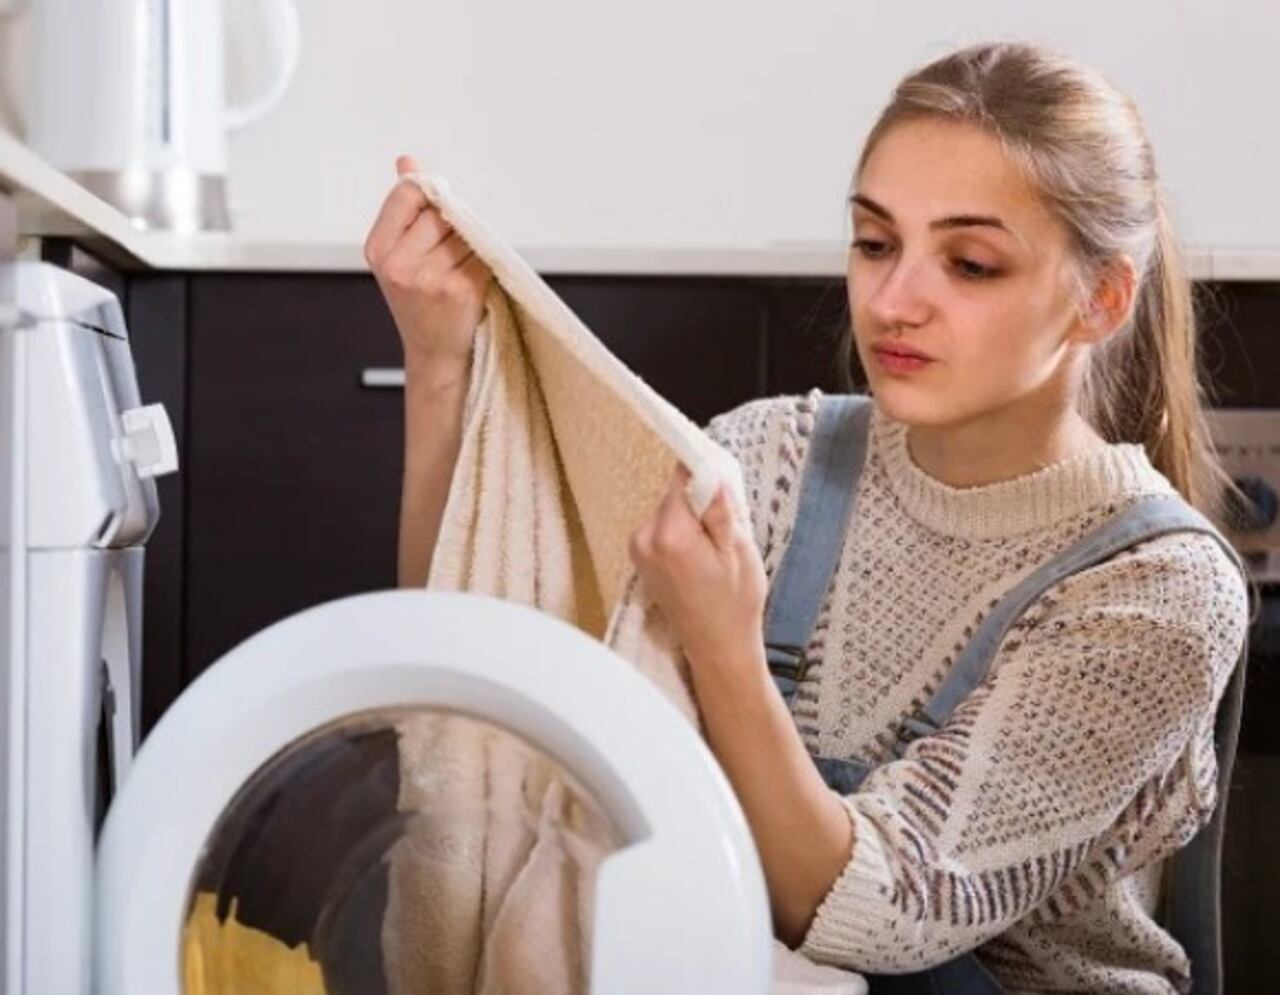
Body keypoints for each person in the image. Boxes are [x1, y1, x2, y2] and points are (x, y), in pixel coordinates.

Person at [365, 41, 1249, 995]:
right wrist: (441, 361)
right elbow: (482, 674)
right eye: (875, 243)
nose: (894, 300)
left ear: (1100, 299)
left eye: (971, 263)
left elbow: (881, 911)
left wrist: (725, 648)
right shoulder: (773, 458)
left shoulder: (1156, 588)